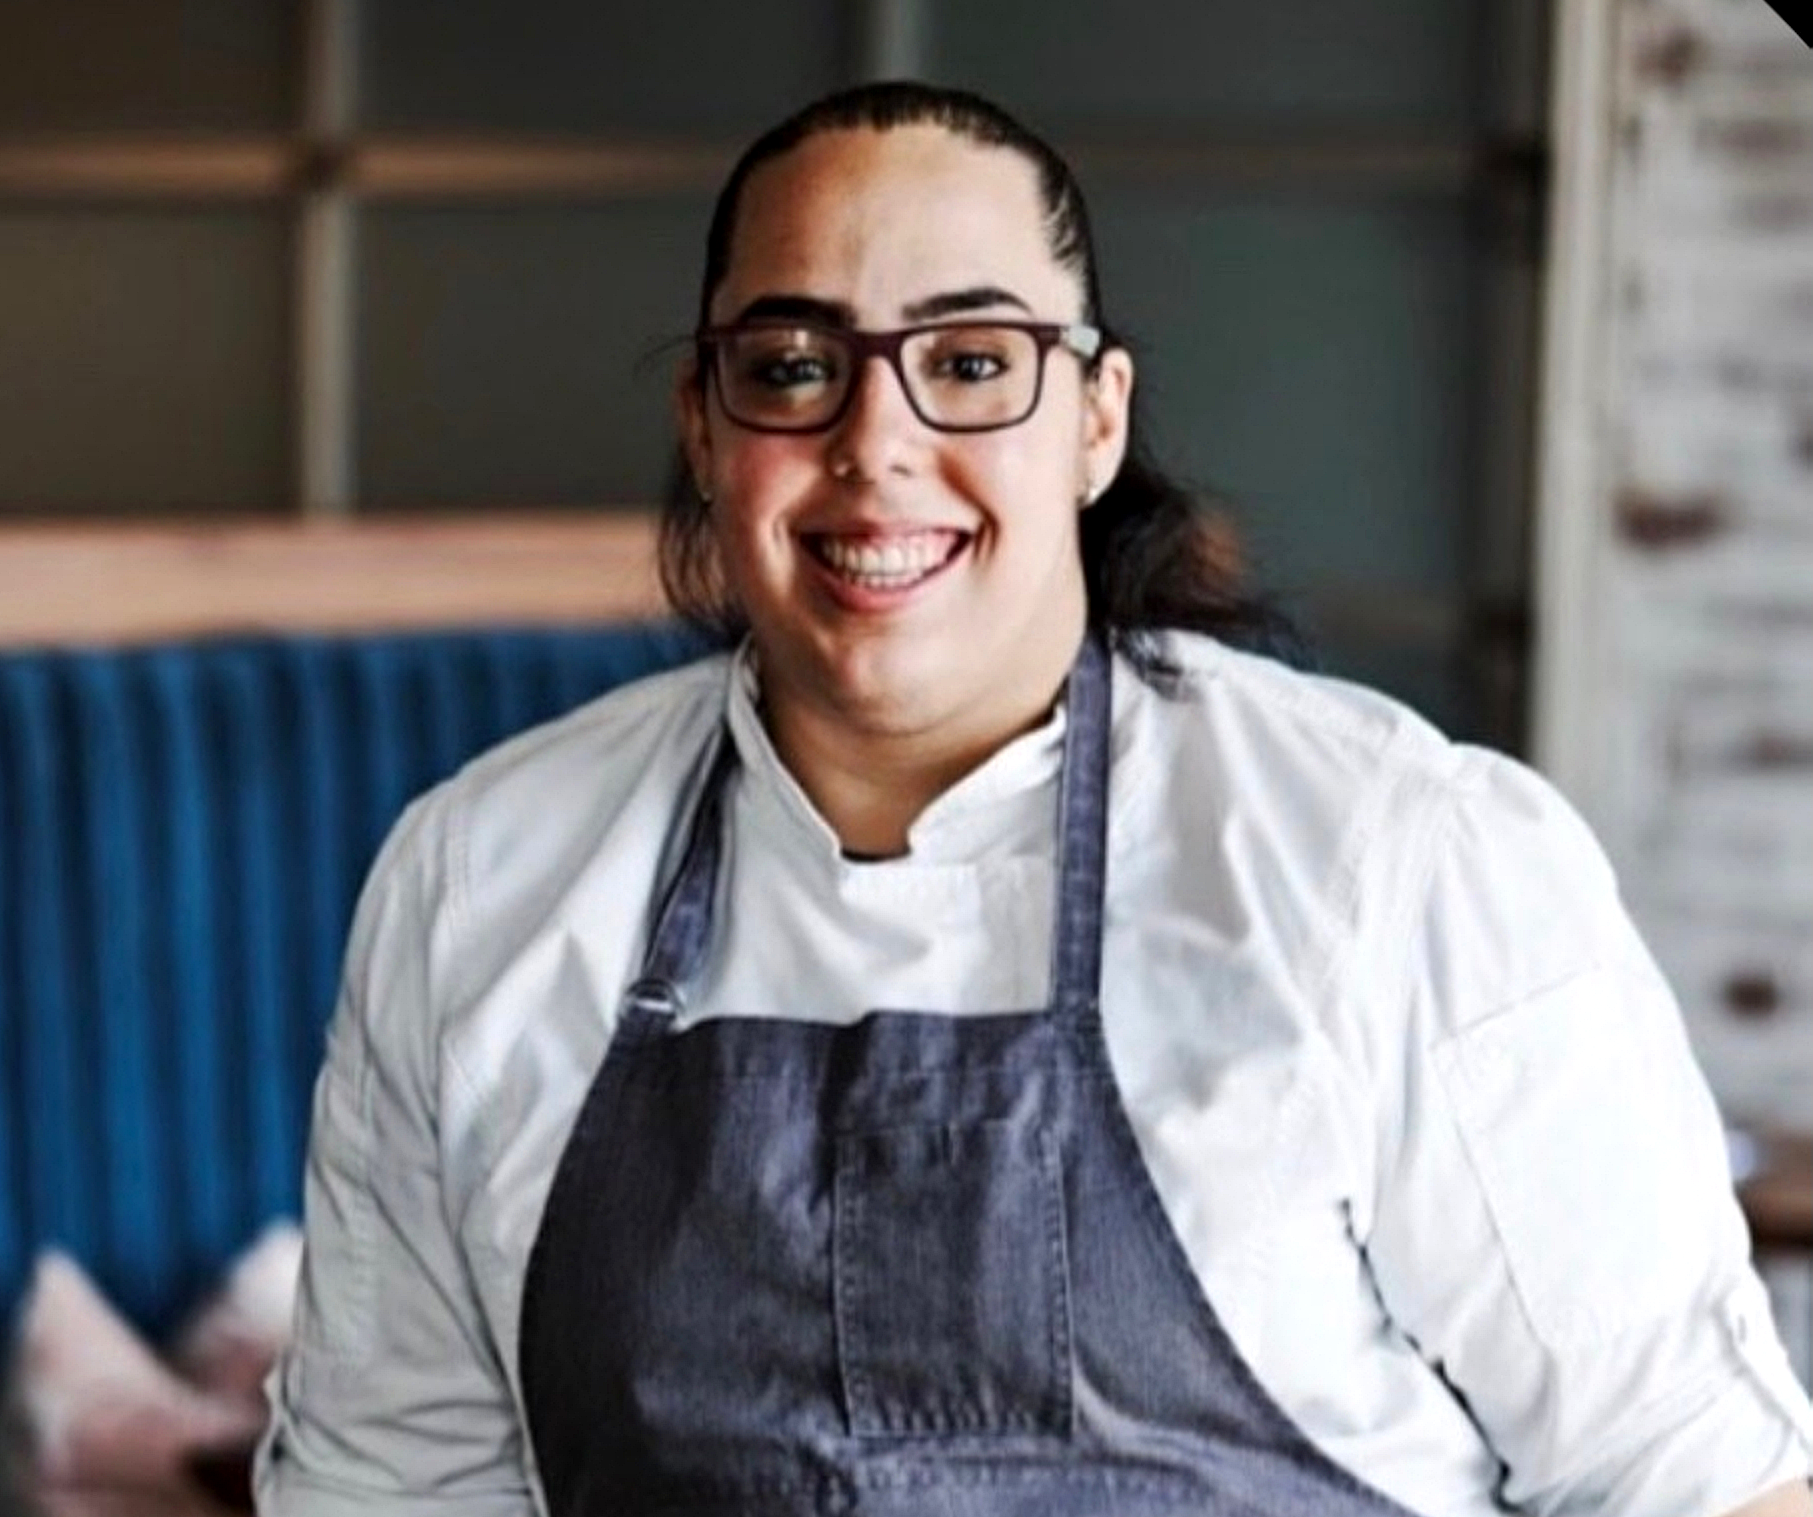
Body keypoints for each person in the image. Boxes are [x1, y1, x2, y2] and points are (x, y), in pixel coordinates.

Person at [255, 82, 1813, 1517]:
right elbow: (387, 1490)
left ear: (1095, 421)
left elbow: (1698, 1481)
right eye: (792, 367)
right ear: (705, 426)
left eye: (970, 364)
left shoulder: (1395, 861)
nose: (877, 446)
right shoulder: (482, 884)